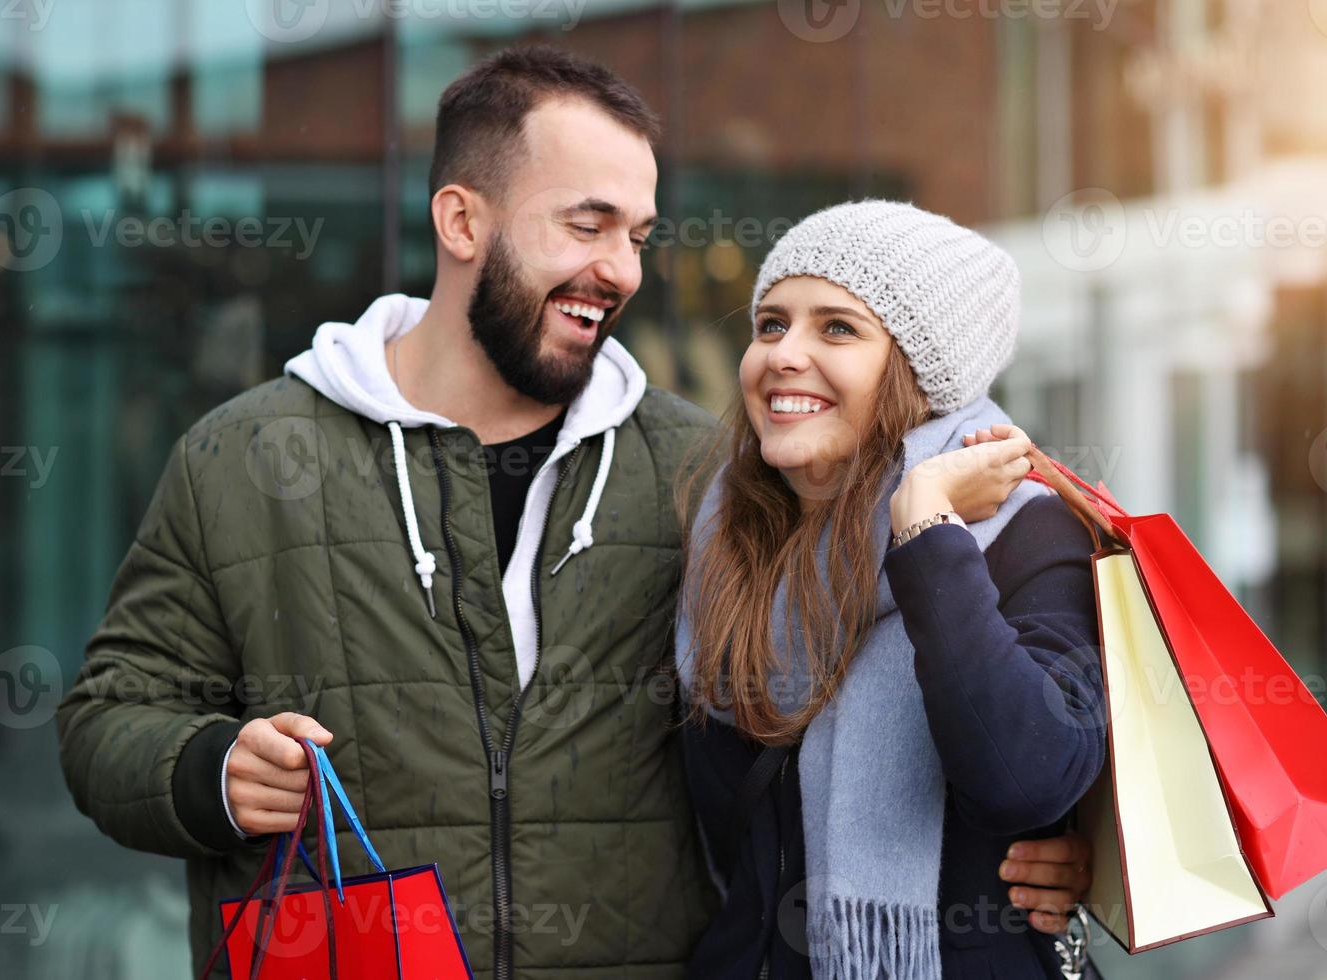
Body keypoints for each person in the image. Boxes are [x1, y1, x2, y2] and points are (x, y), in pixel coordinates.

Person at [55, 48, 1093, 980]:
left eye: (637, 234)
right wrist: (208, 770)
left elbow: (856, 730)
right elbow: (108, 717)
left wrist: (1027, 863)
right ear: (463, 220)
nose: (622, 269)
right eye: (586, 224)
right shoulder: (244, 457)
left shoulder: (708, 472)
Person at [676, 200, 1106, 979]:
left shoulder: (1024, 533)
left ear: (917, 368)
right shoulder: (723, 539)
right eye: (771, 324)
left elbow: (1028, 777)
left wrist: (926, 532)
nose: (782, 353)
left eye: (836, 328)